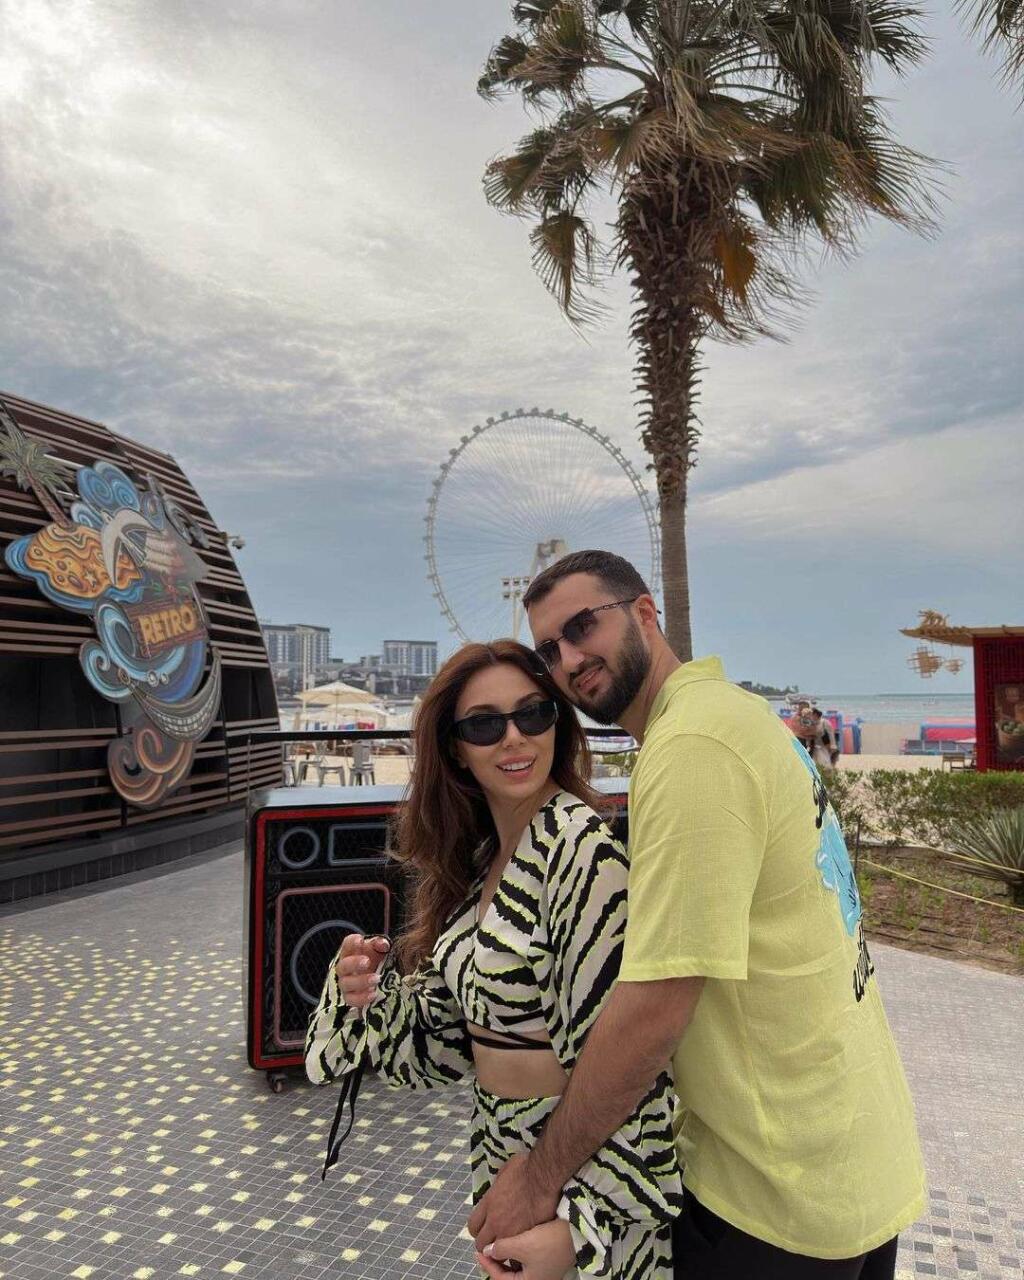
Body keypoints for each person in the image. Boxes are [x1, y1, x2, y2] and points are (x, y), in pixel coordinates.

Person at [470, 550, 926, 1280]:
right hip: (854, 1161)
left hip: (773, 1194)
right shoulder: (738, 713)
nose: (569, 659)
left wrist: (539, 1177)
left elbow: (654, 1006)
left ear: (645, 614)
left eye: (582, 626)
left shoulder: (692, 748)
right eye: (550, 649)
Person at [305, 639, 682, 1279]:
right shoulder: (482, 860)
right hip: (504, 1151)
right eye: (484, 724)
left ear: (557, 725)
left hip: (577, 1170)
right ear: (454, 748)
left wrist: (579, 1229)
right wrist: (368, 992)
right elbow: (452, 1047)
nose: (514, 737)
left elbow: (628, 1063)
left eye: (533, 713)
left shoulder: (581, 851)